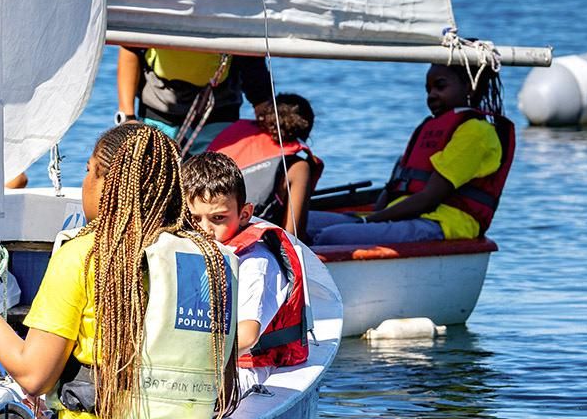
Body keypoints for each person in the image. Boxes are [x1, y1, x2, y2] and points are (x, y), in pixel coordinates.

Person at [0, 123, 238, 419]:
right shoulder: (212, 259)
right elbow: (223, 384)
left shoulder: (84, 255)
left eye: (89, 171)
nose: (84, 182)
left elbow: (33, 377)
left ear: (106, 182)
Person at [307, 64, 515, 249]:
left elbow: (428, 199)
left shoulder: (476, 132)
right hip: (402, 216)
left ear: (470, 87)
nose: (431, 95)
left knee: (331, 236)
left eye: (440, 86)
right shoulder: (430, 128)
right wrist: (368, 217)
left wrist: (369, 222)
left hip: (442, 224)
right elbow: (392, 190)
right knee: (298, 221)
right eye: (428, 89)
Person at [181, 153, 310, 373]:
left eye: (218, 218)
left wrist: (187, 360)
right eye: (194, 219)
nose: (205, 230)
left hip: (248, 368)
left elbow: (248, 335)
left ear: (244, 215)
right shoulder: (190, 251)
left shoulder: (254, 264)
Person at [116, 46, 273, 151]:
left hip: (219, 105)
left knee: (217, 182)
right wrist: (127, 117)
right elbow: (130, 45)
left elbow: (250, 54)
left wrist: (264, 108)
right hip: (159, 104)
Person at [206, 93, 321, 235]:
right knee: (337, 227)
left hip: (209, 228)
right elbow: (295, 236)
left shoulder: (236, 135)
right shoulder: (298, 168)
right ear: (306, 130)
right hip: (252, 238)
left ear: (266, 118)